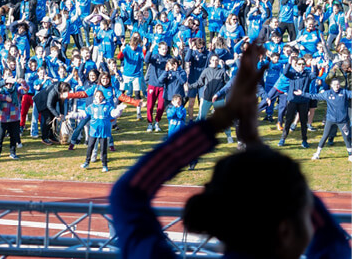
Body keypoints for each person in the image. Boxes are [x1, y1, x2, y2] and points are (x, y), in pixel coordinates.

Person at [110, 42, 351, 259]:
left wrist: (217, 123)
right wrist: (266, 157)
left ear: (216, 222)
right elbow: (332, 242)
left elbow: (126, 196)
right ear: (288, 230)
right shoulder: (329, 248)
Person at [75, 90, 126, 172]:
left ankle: (105, 165)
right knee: (90, 147)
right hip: (93, 131)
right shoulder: (91, 106)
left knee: (103, 149)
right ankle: (86, 162)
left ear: (103, 97)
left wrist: (119, 109)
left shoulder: (108, 105)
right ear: (94, 97)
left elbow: (114, 114)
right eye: (97, 96)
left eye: (100, 96)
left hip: (104, 131)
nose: (99, 98)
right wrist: (73, 115)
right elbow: (83, 115)